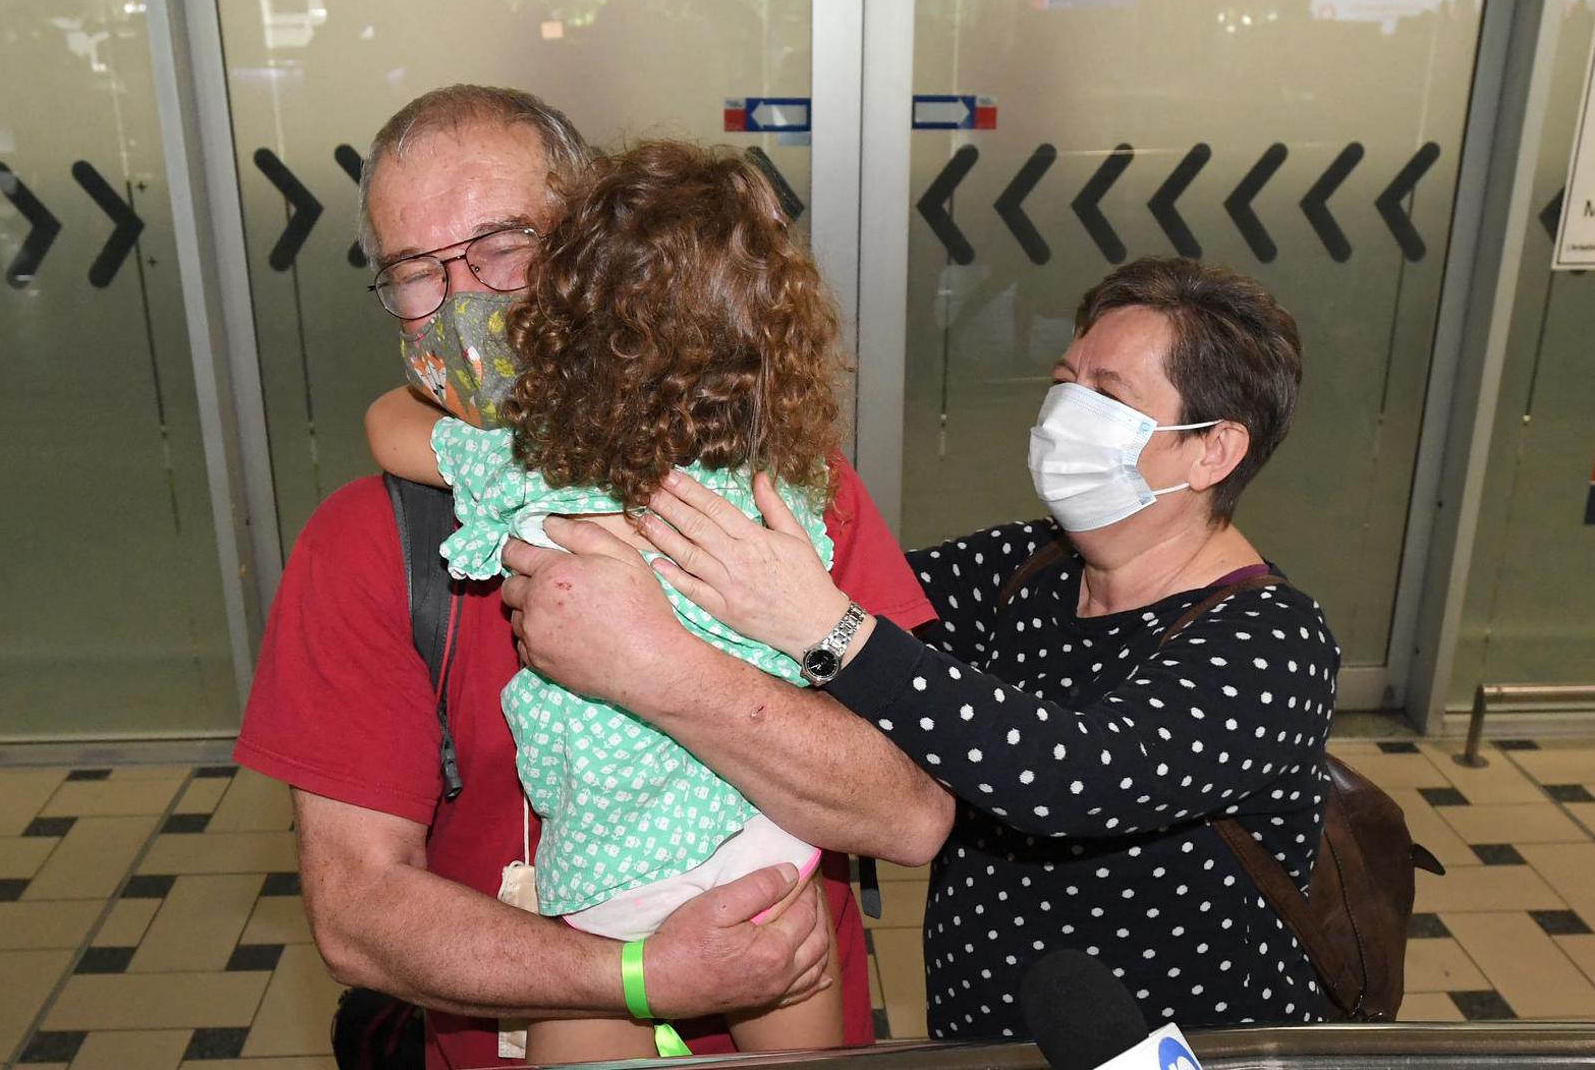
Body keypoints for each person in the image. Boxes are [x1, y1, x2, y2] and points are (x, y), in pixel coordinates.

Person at [234, 85, 951, 1070]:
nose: (462, 302)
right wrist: (632, 977)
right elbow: (357, 914)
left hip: (782, 967)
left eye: (500, 248)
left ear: (598, 251)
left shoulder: (791, 491)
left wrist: (655, 664)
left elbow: (911, 812)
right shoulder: (363, 543)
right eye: (415, 271)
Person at [498, 256, 1341, 1038]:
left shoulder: (1273, 641)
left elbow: (1067, 776)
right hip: (988, 1040)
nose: (1064, 413)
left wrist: (823, 630)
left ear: (1214, 449)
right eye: (1064, 381)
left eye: (1108, 396)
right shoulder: (1028, 568)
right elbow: (806, 592)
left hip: (1182, 1046)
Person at [365, 138, 854, 1061]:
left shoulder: (541, 472)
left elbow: (390, 428)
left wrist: (481, 409)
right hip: (765, 859)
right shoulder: (788, 490)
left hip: (605, 882)